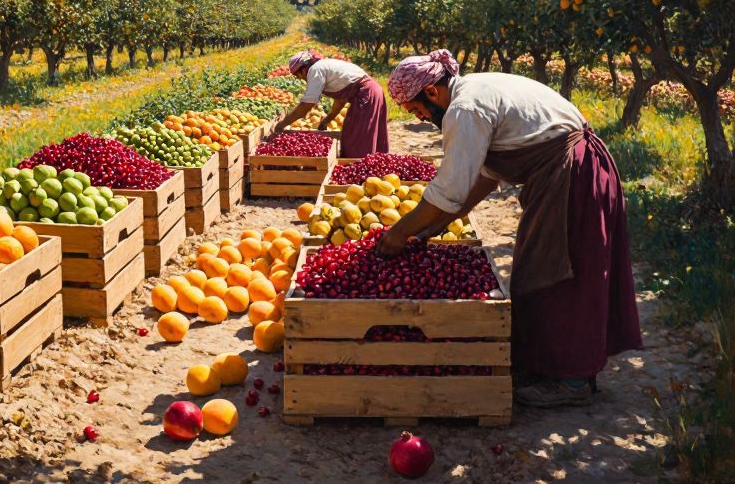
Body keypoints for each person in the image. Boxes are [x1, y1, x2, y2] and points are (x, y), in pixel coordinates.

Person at [375, 49, 642, 408]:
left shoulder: (464, 108)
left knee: (559, 271)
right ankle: (546, 366)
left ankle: (572, 380)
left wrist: (397, 233)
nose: (421, 119)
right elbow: (486, 175)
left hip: (572, 176)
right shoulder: (475, 90)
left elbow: (449, 189)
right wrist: (441, 223)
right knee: (541, 268)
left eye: (416, 110)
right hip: (568, 173)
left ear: (431, 92)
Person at [270, 49, 389, 157]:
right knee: (362, 134)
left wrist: (283, 123)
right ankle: (368, 166)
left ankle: (361, 170)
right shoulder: (323, 67)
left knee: (356, 137)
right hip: (371, 91)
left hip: (366, 94)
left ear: (303, 69)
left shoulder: (314, 70)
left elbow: (307, 104)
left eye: (298, 76)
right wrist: (328, 118)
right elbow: (341, 97)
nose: (301, 79)